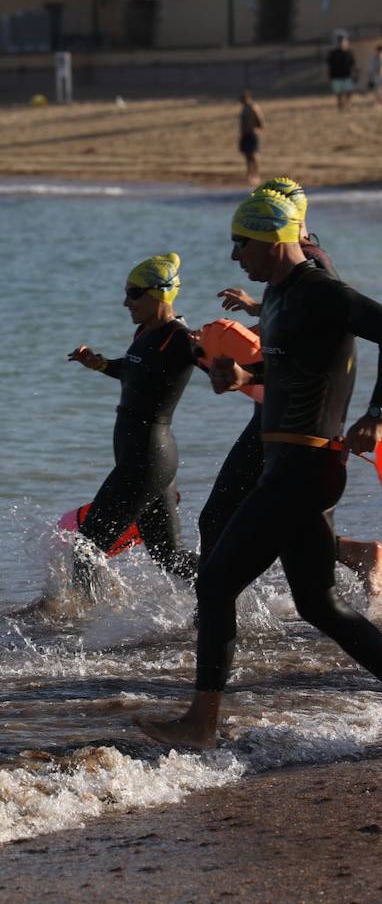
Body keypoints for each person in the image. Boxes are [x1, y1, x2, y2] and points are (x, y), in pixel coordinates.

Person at [139, 190, 382, 749]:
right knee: (320, 604)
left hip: (307, 465)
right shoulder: (277, 296)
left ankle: (200, 725)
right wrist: (242, 379)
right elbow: (287, 367)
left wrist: (375, 414)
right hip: (288, 463)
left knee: (218, 579)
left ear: (273, 240)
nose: (232, 256)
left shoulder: (323, 291)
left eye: (240, 242)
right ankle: (200, 722)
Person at [199, 177, 382, 597]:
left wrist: (375, 415)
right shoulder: (287, 270)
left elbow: (323, 328)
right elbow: (294, 329)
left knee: (223, 518)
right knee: (298, 543)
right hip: (283, 413)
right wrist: (246, 347)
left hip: (296, 420)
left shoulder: (313, 266)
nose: (238, 252)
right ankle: (351, 563)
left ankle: (209, 612)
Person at [65, 254, 200, 599]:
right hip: (145, 458)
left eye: (134, 293)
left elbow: (225, 374)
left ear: (161, 294)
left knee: (86, 546)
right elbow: (133, 369)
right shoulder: (144, 333)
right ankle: (228, 590)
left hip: (148, 458)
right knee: (168, 556)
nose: (126, 301)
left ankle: (80, 625)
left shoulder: (181, 340)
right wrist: (100, 364)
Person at [237, 90, 265, 185]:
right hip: (245, 134)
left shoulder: (254, 107)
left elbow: (260, 120)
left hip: (253, 133)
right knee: (247, 155)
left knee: (254, 155)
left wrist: (258, 130)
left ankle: (256, 175)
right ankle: (249, 175)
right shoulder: (244, 109)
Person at [327, 34, 357, 112]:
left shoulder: (350, 52)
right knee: (339, 93)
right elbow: (329, 65)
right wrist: (329, 76)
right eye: (341, 42)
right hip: (336, 76)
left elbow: (353, 64)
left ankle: (348, 104)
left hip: (348, 75)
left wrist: (355, 74)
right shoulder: (333, 53)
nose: (343, 43)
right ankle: (340, 106)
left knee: (349, 91)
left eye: (344, 41)